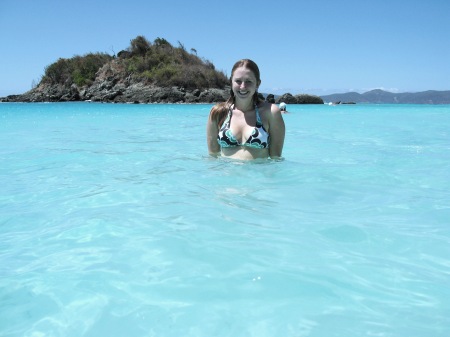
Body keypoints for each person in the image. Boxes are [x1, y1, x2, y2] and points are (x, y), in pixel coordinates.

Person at [206, 59, 285, 160]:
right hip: (226, 175)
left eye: (248, 81)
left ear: (257, 83)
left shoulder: (271, 113)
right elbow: (213, 156)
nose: (243, 87)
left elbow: (276, 158)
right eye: (238, 81)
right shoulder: (218, 112)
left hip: (258, 175)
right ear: (231, 82)